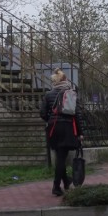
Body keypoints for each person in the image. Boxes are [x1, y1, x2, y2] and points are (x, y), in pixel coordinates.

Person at [40, 68, 83, 196]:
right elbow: (77, 115)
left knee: (60, 156)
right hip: (67, 128)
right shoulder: (71, 93)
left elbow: (42, 113)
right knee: (61, 157)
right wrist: (81, 133)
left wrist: (51, 119)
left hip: (53, 129)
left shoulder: (48, 95)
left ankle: (66, 181)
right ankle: (56, 187)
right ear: (65, 80)